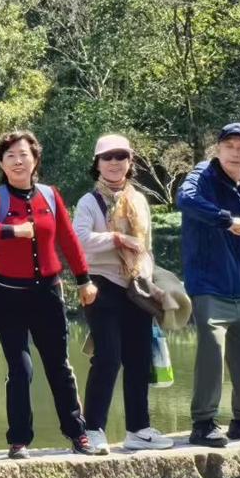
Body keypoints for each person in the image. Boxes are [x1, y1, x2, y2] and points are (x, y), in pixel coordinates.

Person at [0, 130, 101, 457]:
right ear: (1, 163)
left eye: (23, 154)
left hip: (48, 294)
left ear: (35, 159)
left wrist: (84, 280)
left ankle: (78, 433)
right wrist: (10, 231)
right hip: (7, 295)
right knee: (20, 369)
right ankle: (19, 440)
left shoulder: (50, 196)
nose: (17, 161)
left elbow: (68, 240)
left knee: (59, 365)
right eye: (9, 156)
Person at [176, 122, 240, 447]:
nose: (235, 153)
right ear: (218, 149)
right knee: (212, 346)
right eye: (229, 146)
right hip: (208, 283)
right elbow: (185, 199)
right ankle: (203, 422)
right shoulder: (202, 176)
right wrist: (224, 218)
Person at [72, 134, 174, 453]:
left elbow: (146, 246)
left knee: (138, 358)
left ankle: (138, 429)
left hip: (135, 287)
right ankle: (94, 428)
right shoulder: (90, 201)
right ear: (97, 164)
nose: (114, 163)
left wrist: (149, 280)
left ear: (130, 162)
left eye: (120, 156)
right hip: (101, 285)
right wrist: (116, 239)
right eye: (107, 157)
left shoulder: (139, 200)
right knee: (108, 357)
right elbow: (79, 241)